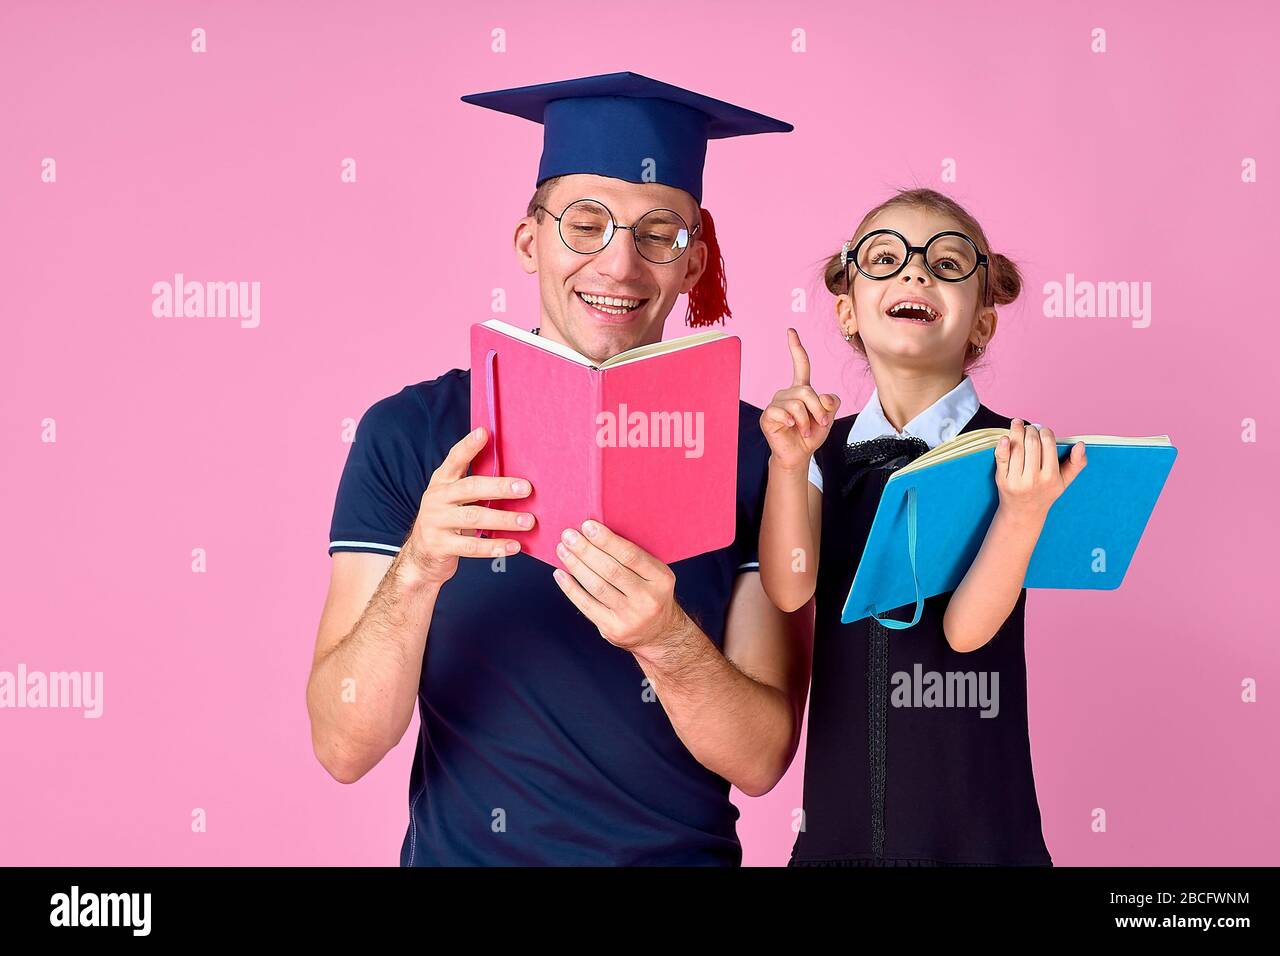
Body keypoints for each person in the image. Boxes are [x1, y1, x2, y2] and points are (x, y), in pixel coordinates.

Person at [307, 72, 813, 866]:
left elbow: (761, 760)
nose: (619, 266)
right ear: (528, 240)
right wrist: (415, 572)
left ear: (694, 262)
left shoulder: (766, 453)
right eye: (586, 225)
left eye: (659, 234)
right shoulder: (409, 434)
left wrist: (666, 641)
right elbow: (343, 746)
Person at [757, 188, 1087, 866]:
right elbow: (790, 590)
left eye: (945, 263)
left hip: (978, 834)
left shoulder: (1012, 456)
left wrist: (1023, 513)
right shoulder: (819, 448)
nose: (915, 274)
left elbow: (967, 630)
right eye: (886, 259)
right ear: (847, 309)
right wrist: (789, 466)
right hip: (839, 835)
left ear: (982, 324)